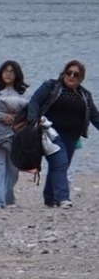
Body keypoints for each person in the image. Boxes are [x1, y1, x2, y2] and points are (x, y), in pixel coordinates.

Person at [26, 60, 99, 208]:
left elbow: (95, 117)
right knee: (60, 162)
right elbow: (34, 101)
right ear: (63, 73)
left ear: (81, 78)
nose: (71, 76)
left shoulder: (85, 95)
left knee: (58, 166)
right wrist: (33, 119)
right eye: (69, 72)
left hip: (72, 136)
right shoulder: (51, 87)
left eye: (76, 74)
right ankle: (63, 198)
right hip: (50, 133)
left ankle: (49, 199)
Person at [0, 61, 29, 210]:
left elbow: (30, 110)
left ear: (17, 74)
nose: (8, 74)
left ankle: (9, 198)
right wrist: (3, 117)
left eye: (11, 71)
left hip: (16, 136)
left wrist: (17, 119)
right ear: (1, 73)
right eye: (5, 71)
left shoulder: (23, 92)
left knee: (14, 169)